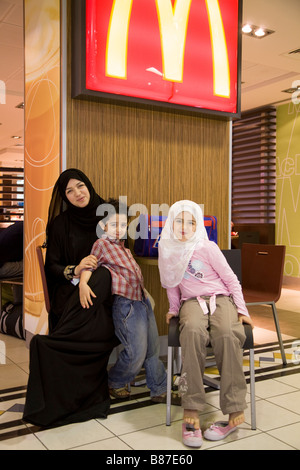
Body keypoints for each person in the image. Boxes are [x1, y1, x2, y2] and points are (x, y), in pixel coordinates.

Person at [22, 169, 119, 427]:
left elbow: (120, 254)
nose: (78, 193)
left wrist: (94, 273)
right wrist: (75, 270)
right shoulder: (60, 225)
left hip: (103, 292)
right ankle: (63, 346)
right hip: (71, 291)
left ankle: (56, 344)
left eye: (80, 186)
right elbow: (51, 266)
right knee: (97, 309)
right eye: (70, 190)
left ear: (88, 184)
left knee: (104, 275)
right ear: (64, 197)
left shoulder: (108, 215)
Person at [158, 200, 254, 448]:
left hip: (220, 300)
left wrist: (242, 310)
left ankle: (234, 411)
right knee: (190, 332)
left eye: (190, 222)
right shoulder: (167, 250)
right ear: (170, 223)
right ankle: (191, 406)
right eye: (179, 220)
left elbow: (231, 280)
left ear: (197, 225)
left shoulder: (207, 247)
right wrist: (173, 309)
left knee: (227, 333)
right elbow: (171, 284)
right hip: (191, 302)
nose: (184, 226)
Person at [79, 198, 167, 401]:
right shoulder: (101, 244)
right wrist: (83, 284)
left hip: (142, 302)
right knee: (136, 352)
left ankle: (159, 388)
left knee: (153, 349)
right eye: (113, 225)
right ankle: (115, 381)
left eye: (122, 224)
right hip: (126, 305)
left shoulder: (123, 246)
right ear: (103, 226)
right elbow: (89, 265)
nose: (119, 229)